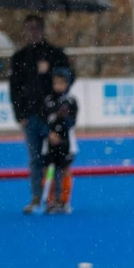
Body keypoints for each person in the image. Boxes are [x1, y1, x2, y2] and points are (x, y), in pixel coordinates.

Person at [9, 15, 72, 214]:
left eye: (36, 28)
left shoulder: (55, 54)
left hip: (52, 118)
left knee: (58, 159)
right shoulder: (18, 58)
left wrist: (49, 72)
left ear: (42, 29)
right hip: (30, 117)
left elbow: (67, 79)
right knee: (36, 160)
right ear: (24, 30)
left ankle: (59, 199)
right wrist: (20, 114)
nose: (33, 32)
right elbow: (14, 89)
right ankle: (37, 197)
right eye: (29, 28)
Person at [40, 66, 79, 214]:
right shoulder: (48, 100)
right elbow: (43, 121)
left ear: (67, 84)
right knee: (48, 170)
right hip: (49, 143)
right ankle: (49, 200)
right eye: (56, 83)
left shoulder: (71, 101)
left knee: (65, 170)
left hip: (66, 143)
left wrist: (63, 119)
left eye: (62, 83)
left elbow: (72, 122)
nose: (58, 86)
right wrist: (49, 133)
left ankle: (64, 200)